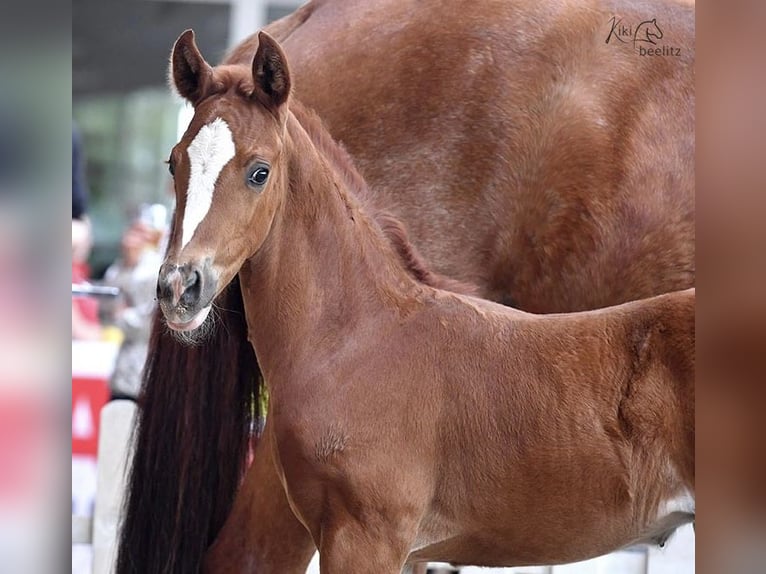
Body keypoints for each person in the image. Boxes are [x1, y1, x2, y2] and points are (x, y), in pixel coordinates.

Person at [102, 205, 167, 400]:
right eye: (133, 229)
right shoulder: (118, 269)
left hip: (148, 373)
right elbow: (106, 310)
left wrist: (122, 315)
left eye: (141, 231)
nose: (132, 237)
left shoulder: (156, 270)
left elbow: (147, 323)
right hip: (123, 371)